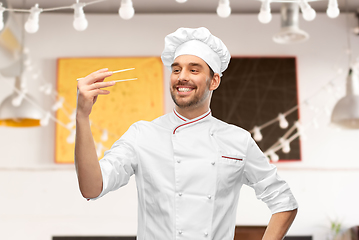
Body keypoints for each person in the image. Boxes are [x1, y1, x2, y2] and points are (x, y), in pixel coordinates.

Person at [75, 27, 298, 240]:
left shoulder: (237, 140)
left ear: (214, 80)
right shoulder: (142, 134)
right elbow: (92, 188)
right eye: (176, 69)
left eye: (194, 69)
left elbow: (284, 202)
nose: (182, 76)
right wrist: (82, 117)